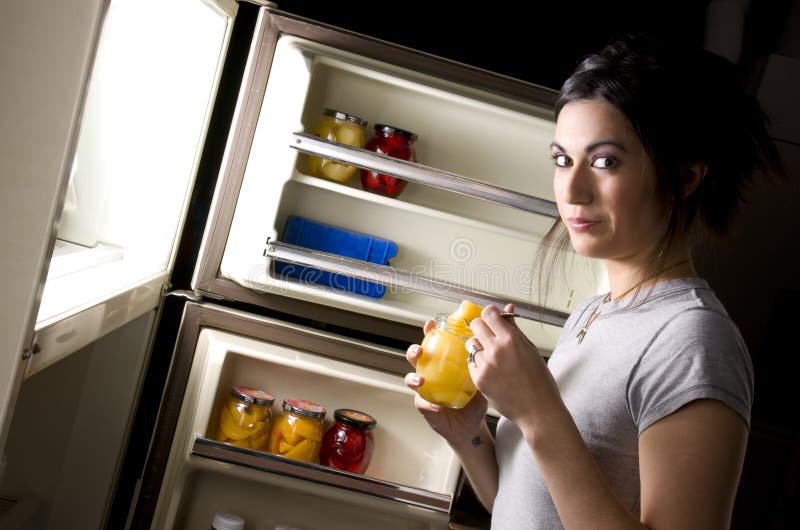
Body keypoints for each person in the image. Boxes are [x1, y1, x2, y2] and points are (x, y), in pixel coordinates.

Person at [405, 34, 784, 529]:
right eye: (563, 159)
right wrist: (467, 433)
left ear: (686, 176)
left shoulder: (694, 342)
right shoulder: (595, 311)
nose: (573, 189)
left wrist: (539, 414)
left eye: (605, 161)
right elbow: (527, 512)